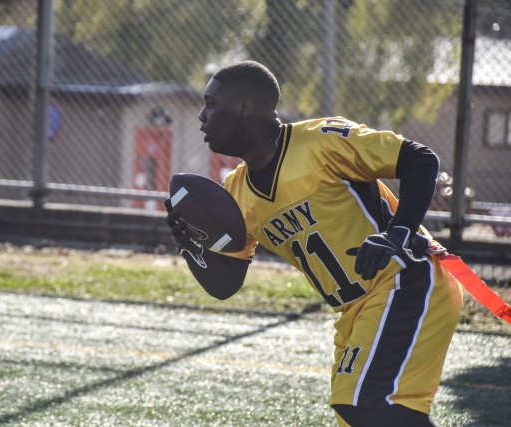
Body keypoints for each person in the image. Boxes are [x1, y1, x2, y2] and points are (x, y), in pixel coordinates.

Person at [164, 60, 463, 427]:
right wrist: (191, 246)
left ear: (245, 107)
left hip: (405, 281)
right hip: (355, 310)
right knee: (362, 416)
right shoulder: (236, 193)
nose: (201, 116)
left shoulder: (321, 140)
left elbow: (420, 159)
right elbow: (226, 285)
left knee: (368, 406)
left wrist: (397, 232)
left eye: (211, 104)